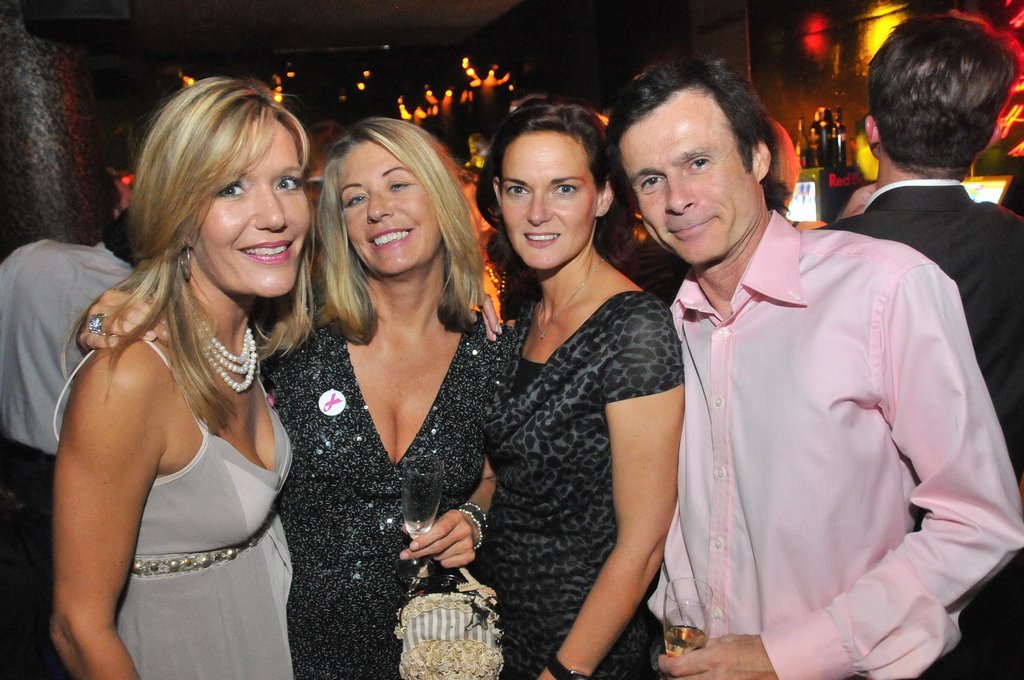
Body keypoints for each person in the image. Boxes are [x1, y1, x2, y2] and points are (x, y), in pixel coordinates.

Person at [606, 57, 1024, 679]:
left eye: (698, 162)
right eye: (650, 179)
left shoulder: (883, 287)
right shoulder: (666, 328)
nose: (677, 199)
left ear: (757, 158)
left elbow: (978, 521)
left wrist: (790, 655)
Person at [49, 76, 315, 679]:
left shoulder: (252, 335)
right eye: (231, 188)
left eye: (286, 182)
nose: (275, 215)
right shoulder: (130, 377)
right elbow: (77, 627)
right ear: (179, 212)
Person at [266, 117, 514, 679]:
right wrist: (114, 313)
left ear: (440, 197)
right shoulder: (291, 342)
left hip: (441, 650)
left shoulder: (493, 349)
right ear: (341, 226)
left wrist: (474, 516)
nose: (378, 210)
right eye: (355, 199)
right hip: (307, 651)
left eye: (398, 184)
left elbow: (498, 475)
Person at [827, 13, 1024, 678]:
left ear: (871, 130)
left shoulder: (818, 262)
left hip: (852, 593)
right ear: (993, 133)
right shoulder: (1016, 245)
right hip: (989, 584)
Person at [476, 100, 684, 679]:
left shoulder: (634, 329)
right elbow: (502, 473)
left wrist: (565, 671)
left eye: (563, 189)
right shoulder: (525, 311)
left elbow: (643, 545)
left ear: (604, 196)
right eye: (518, 190)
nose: (537, 213)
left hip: (582, 646)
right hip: (499, 628)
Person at [0, 177, 133, 678]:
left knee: (35, 615)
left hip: (16, 471)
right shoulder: (130, 298)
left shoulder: (29, 260)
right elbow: (91, 331)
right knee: (87, 615)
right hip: (91, 482)